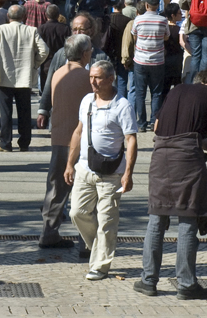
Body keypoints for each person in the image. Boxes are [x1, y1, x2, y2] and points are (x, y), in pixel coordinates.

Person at [135, 68, 207, 299]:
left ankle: (148, 280)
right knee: (187, 217)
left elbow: (155, 127)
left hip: (160, 156)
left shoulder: (174, 92)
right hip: (188, 160)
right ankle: (186, 284)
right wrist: (200, 142)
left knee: (157, 217)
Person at [65, 60, 138, 281]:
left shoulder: (122, 105)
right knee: (76, 213)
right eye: (91, 77)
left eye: (97, 78)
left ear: (110, 79)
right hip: (85, 168)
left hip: (111, 172)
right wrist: (70, 163)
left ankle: (100, 266)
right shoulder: (87, 101)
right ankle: (100, 248)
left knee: (107, 220)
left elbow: (131, 140)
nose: (93, 82)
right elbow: (78, 132)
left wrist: (128, 173)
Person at [39, 34, 93, 249]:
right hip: (81, 141)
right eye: (89, 49)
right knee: (86, 192)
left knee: (55, 189)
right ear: (84, 53)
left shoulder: (58, 73)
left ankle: (48, 232)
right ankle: (86, 242)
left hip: (59, 137)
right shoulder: (88, 77)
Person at [0, 5, 47, 153]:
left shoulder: (1, 30)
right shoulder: (32, 30)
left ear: (8, 17)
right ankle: (24, 142)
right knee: (24, 111)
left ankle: (5, 143)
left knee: (5, 111)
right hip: (24, 77)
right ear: (24, 16)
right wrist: (35, 64)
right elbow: (44, 50)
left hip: (4, 75)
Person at [126, 0, 170, 132]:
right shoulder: (163, 20)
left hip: (140, 60)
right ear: (158, 5)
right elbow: (166, 37)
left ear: (146, 5)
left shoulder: (138, 20)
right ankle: (154, 121)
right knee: (156, 92)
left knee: (140, 92)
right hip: (157, 61)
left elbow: (134, 36)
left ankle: (141, 123)